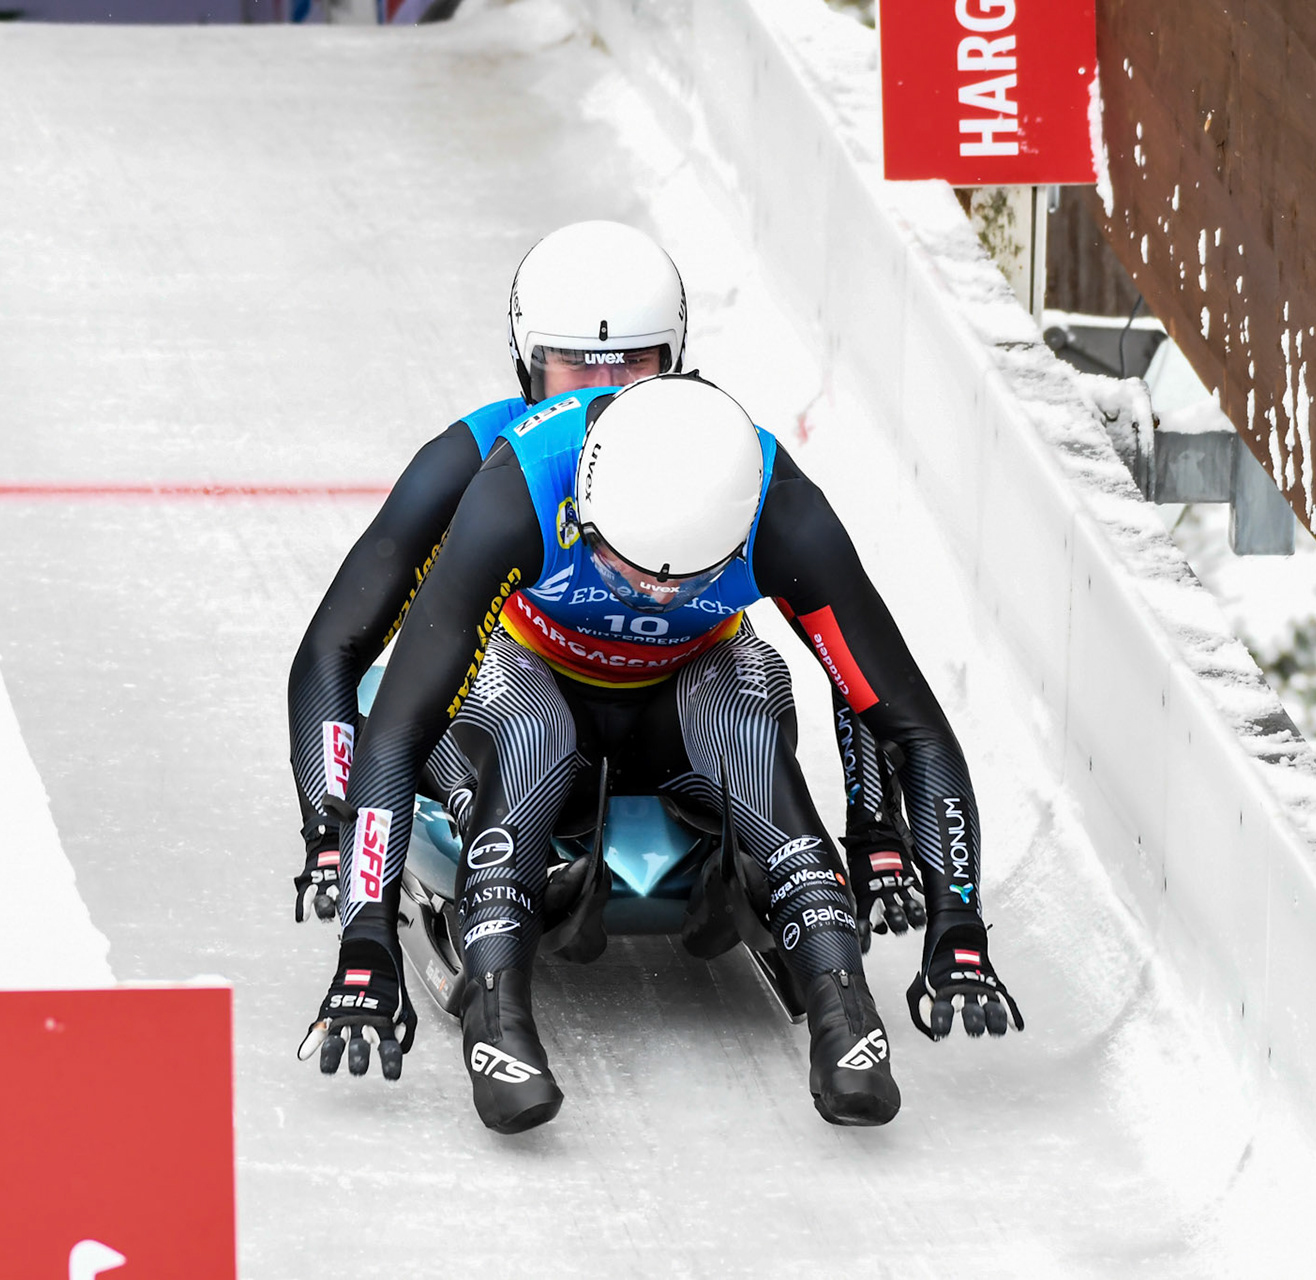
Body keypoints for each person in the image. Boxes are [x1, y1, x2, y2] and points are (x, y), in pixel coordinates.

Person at [298, 374, 1024, 1133]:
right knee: (529, 733)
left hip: (691, 687)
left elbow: (910, 724)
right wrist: (366, 939)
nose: (653, 600)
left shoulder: (786, 513)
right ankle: (499, 1016)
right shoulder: (517, 491)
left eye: (687, 581)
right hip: (530, 674)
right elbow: (399, 729)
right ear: (583, 512)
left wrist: (959, 926)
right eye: (628, 570)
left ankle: (844, 1006)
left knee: (746, 717)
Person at [284, 220, 927, 946]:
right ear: (530, 368)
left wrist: (877, 831)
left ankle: (753, 836)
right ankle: (482, 811)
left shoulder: (727, 463)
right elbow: (335, 645)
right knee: (398, 690)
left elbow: (848, 644)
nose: (607, 394)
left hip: (684, 720)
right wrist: (331, 829)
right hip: (526, 712)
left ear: (675, 362)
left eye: (633, 368)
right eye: (575, 369)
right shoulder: (479, 463)